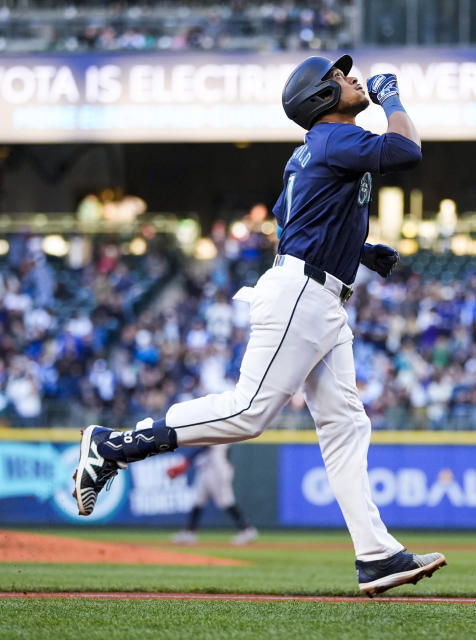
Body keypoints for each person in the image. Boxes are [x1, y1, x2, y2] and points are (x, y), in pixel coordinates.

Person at [72, 54, 446, 597]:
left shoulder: (317, 150)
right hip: (304, 295)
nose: (351, 79)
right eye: (338, 78)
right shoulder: (334, 138)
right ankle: (114, 446)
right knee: (249, 413)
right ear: (319, 99)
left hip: (319, 294)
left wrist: (358, 249)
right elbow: (407, 151)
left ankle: (376, 556)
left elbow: (290, 219)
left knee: (345, 425)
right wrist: (391, 98)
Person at [167, 445, 259, 546]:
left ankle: (246, 529)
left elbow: (205, 445)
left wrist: (186, 462)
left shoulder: (219, 432)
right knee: (198, 501)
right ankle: (189, 533)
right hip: (206, 469)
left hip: (217, 470)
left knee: (226, 501)